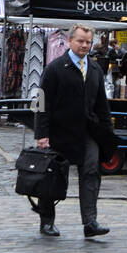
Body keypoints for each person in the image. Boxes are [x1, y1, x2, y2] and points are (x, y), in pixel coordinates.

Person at [34, 24, 111, 239]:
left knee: (91, 173)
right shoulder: (55, 68)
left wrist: (107, 135)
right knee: (54, 178)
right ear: (70, 41)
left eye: (88, 42)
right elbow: (40, 102)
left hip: (88, 133)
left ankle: (90, 221)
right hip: (59, 133)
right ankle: (47, 221)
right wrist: (41, 134)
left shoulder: (95, 70)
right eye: (80, 41)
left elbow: (102, 105)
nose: (85, 45)